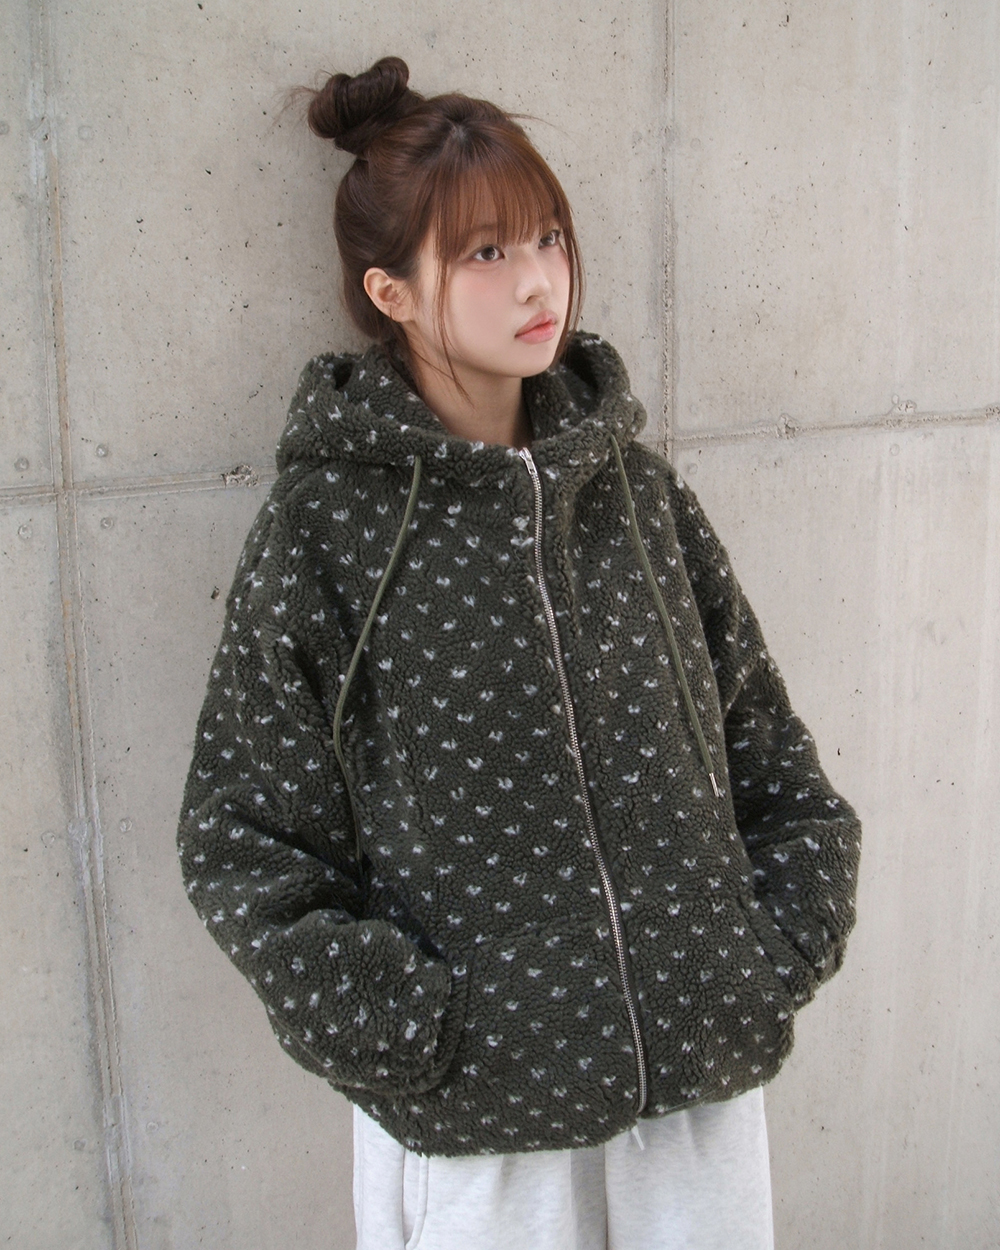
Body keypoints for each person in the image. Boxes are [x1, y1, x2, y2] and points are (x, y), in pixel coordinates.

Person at [177, 56, 861, 1250]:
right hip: (482, 1126)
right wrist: (415, 1029)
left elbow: (763, 742)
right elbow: (241, 837)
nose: (539, 278)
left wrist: (768, 944)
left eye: (545, 235)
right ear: (391, 291)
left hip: (695, 1099)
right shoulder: (329, 529)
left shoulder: (636, 496)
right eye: (484, 252)